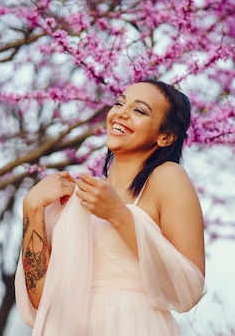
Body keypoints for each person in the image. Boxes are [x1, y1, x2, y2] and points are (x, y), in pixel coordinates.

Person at [15, 80, 206, 336]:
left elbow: (189, 290)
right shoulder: (77, 198)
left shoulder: (168, 178)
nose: (121, 112)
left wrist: (118, 215)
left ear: (166, 136)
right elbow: (42, 300)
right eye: (119, 103)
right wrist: (32, 208)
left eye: (139, 110)